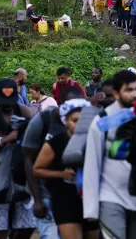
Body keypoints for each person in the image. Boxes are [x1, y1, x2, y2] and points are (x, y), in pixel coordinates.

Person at [83, 70, 136, 239]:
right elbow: (92, 165)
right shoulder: (102, 121)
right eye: (129, 90)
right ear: (116, 93)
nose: (135, 94)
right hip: (110, 197)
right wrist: (91, 210)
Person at [23, 87, 86, 239]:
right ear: (61, 104)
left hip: (74, 196)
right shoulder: (43, 121)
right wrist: (37, 199)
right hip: (45, 193)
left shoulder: (86, 126)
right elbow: (28, 160)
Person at [0, 78, 35, 239]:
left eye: (11, 101)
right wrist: (6, 140)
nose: (8, 105)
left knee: (26, 226)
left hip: (21, 178)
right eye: (4, 101)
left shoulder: (25, 112)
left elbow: (37, 144)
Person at [33, 98, 100, 239]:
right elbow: (37, 169)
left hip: (91, 199)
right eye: (75, 120)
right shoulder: (56, 142)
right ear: (66, 121)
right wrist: (61, 174)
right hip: (65, 199)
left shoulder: (96, 139)